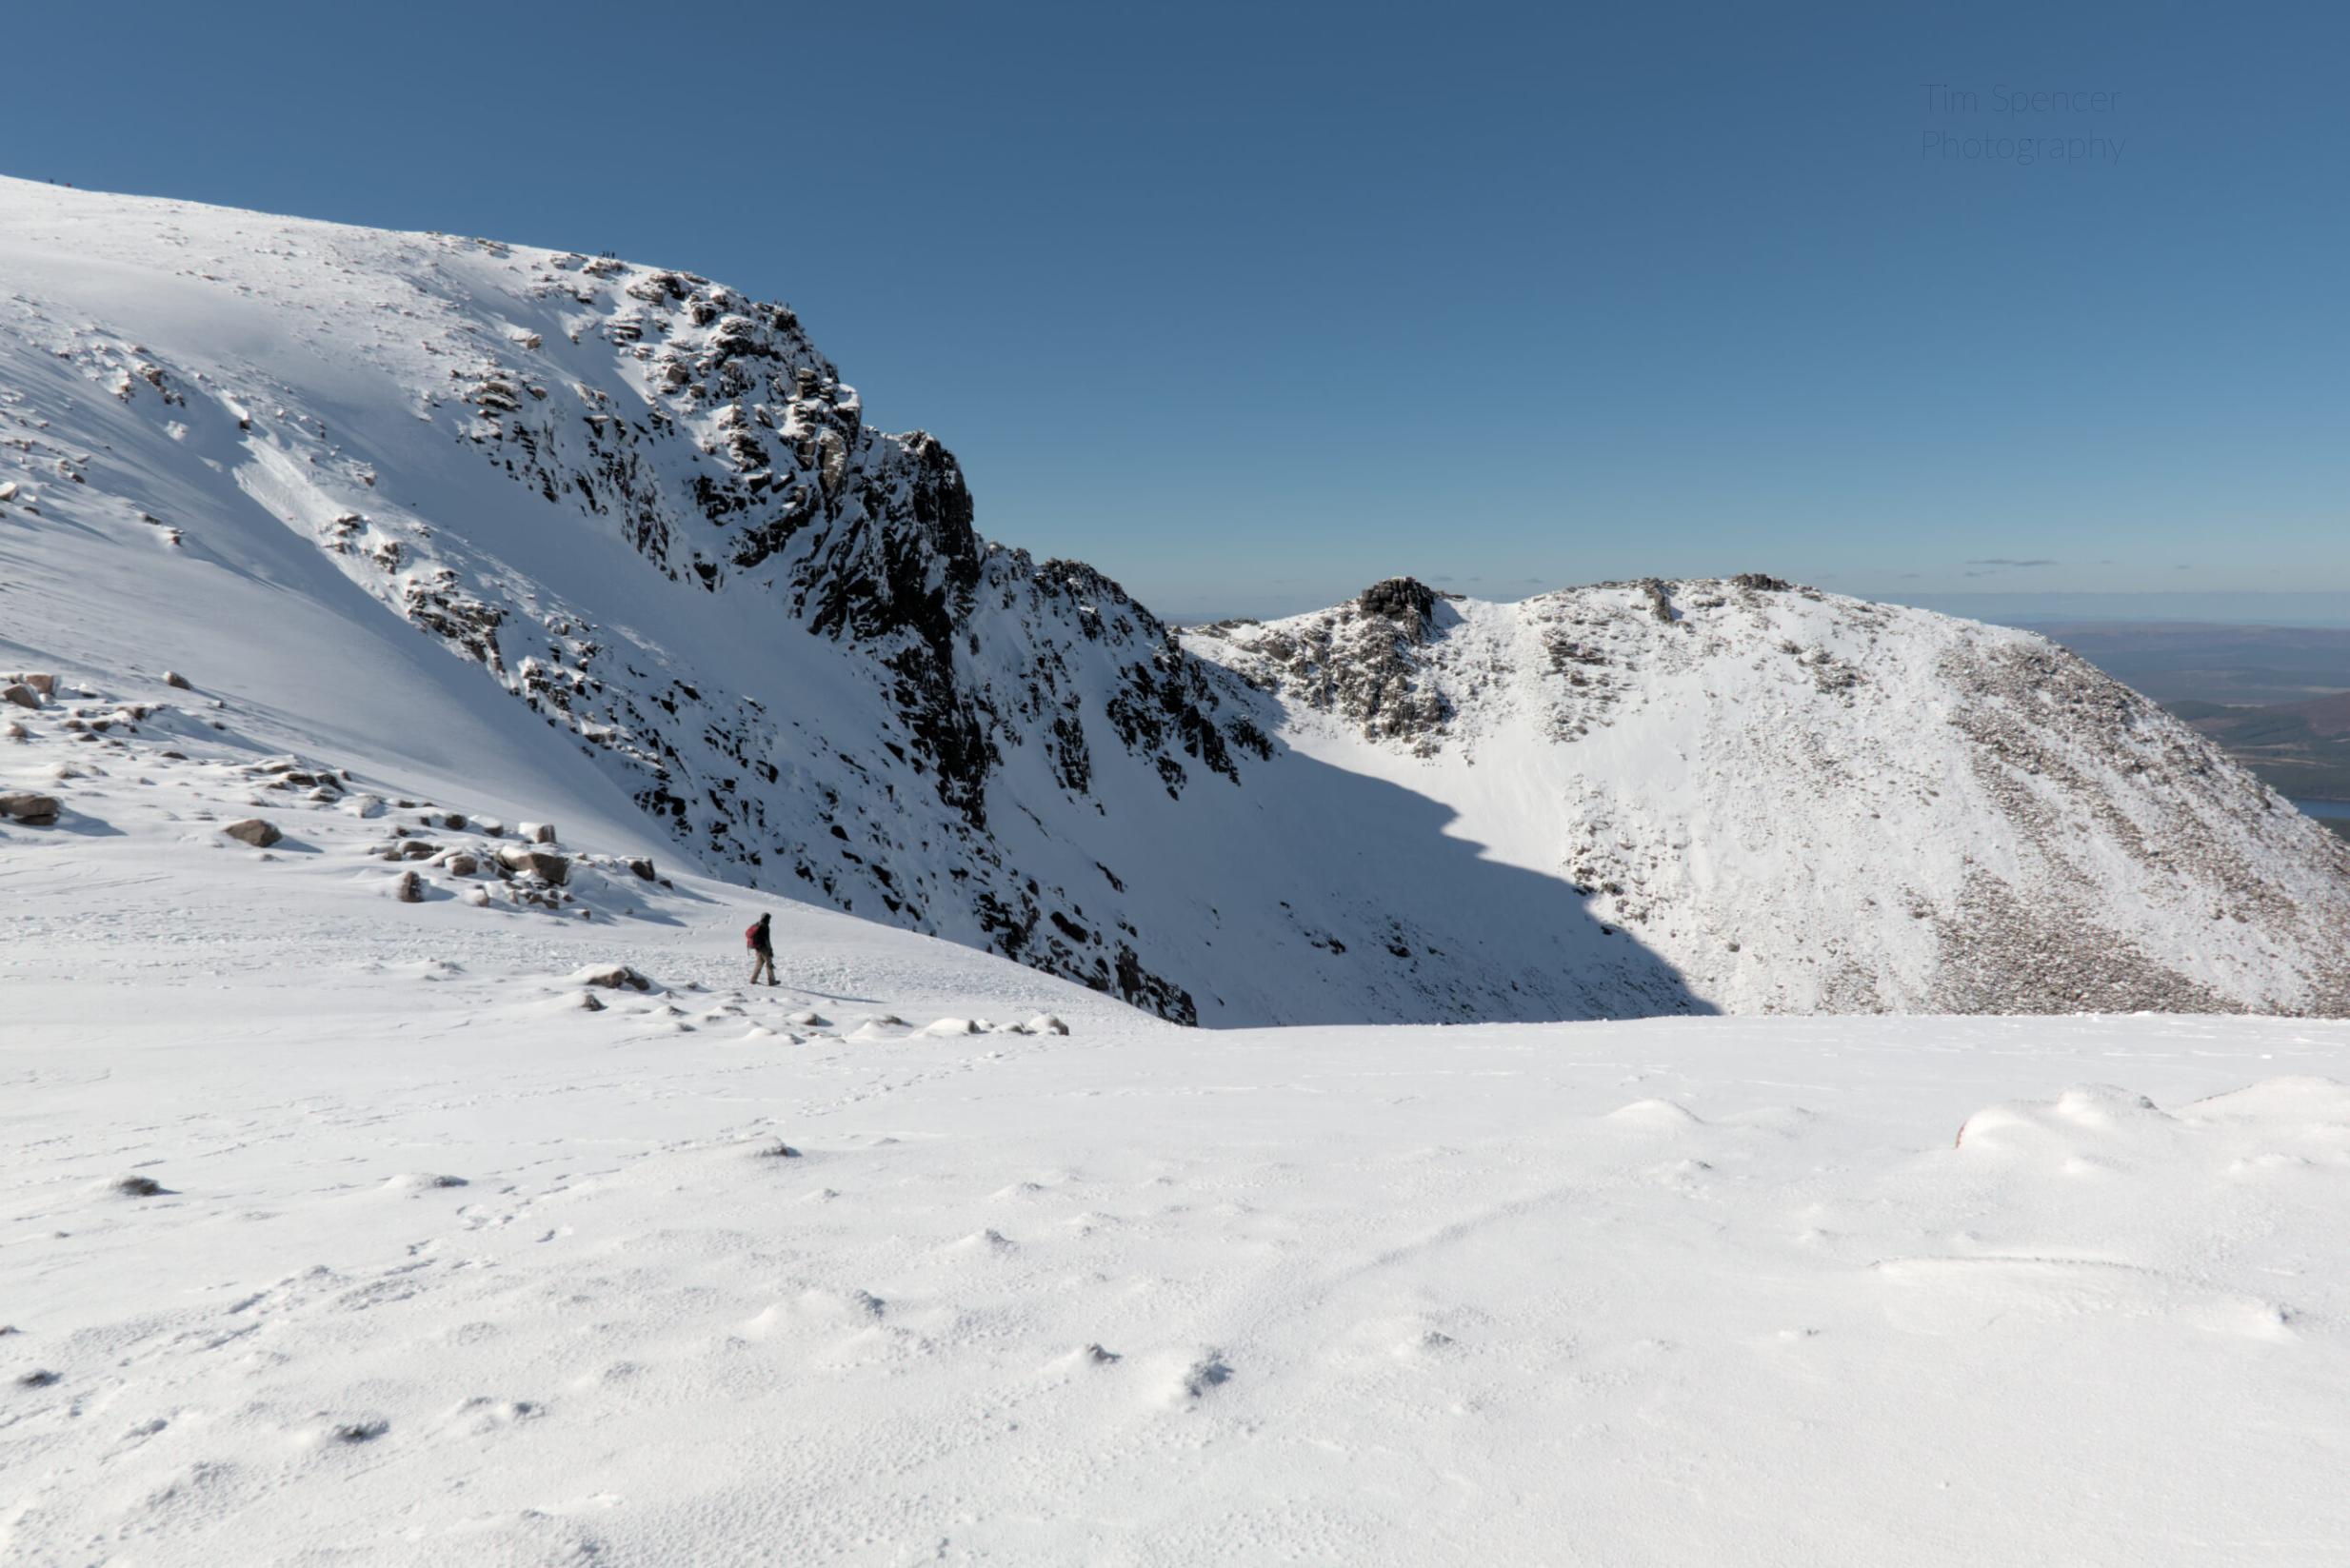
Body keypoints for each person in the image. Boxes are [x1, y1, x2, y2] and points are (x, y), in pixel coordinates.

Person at [745, 911, 777, 985]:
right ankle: (772, 981)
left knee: (759, 964)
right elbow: (767, 940)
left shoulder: (757, 924)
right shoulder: (765, 926)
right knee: (769, 964)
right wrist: (770, 950)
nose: (769, 920)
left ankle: (753, 980)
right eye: (769, 919)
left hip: (757, 948)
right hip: (764, 948)